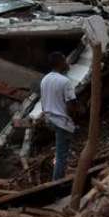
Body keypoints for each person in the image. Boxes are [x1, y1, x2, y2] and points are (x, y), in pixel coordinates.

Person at [40, 52, 77, 181]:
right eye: (65, 61)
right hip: (61, 121)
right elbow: (70, 105)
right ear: (60, 63)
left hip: (49, 119)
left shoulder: (45, 79)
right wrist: (76, 117)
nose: (67, 63)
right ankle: (57, 184)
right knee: (61, 156)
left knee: (61, 152)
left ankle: (60, 174)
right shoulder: (65, 81)